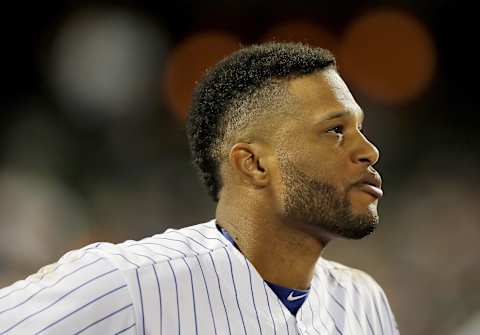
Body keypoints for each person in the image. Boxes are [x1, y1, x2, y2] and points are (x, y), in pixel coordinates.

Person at [0, 42, 400, 334]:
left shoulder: (364, 301)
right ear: (255, 164)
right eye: (335, 131)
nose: (368, 151)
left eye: (359, 129)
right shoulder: (129, 282)